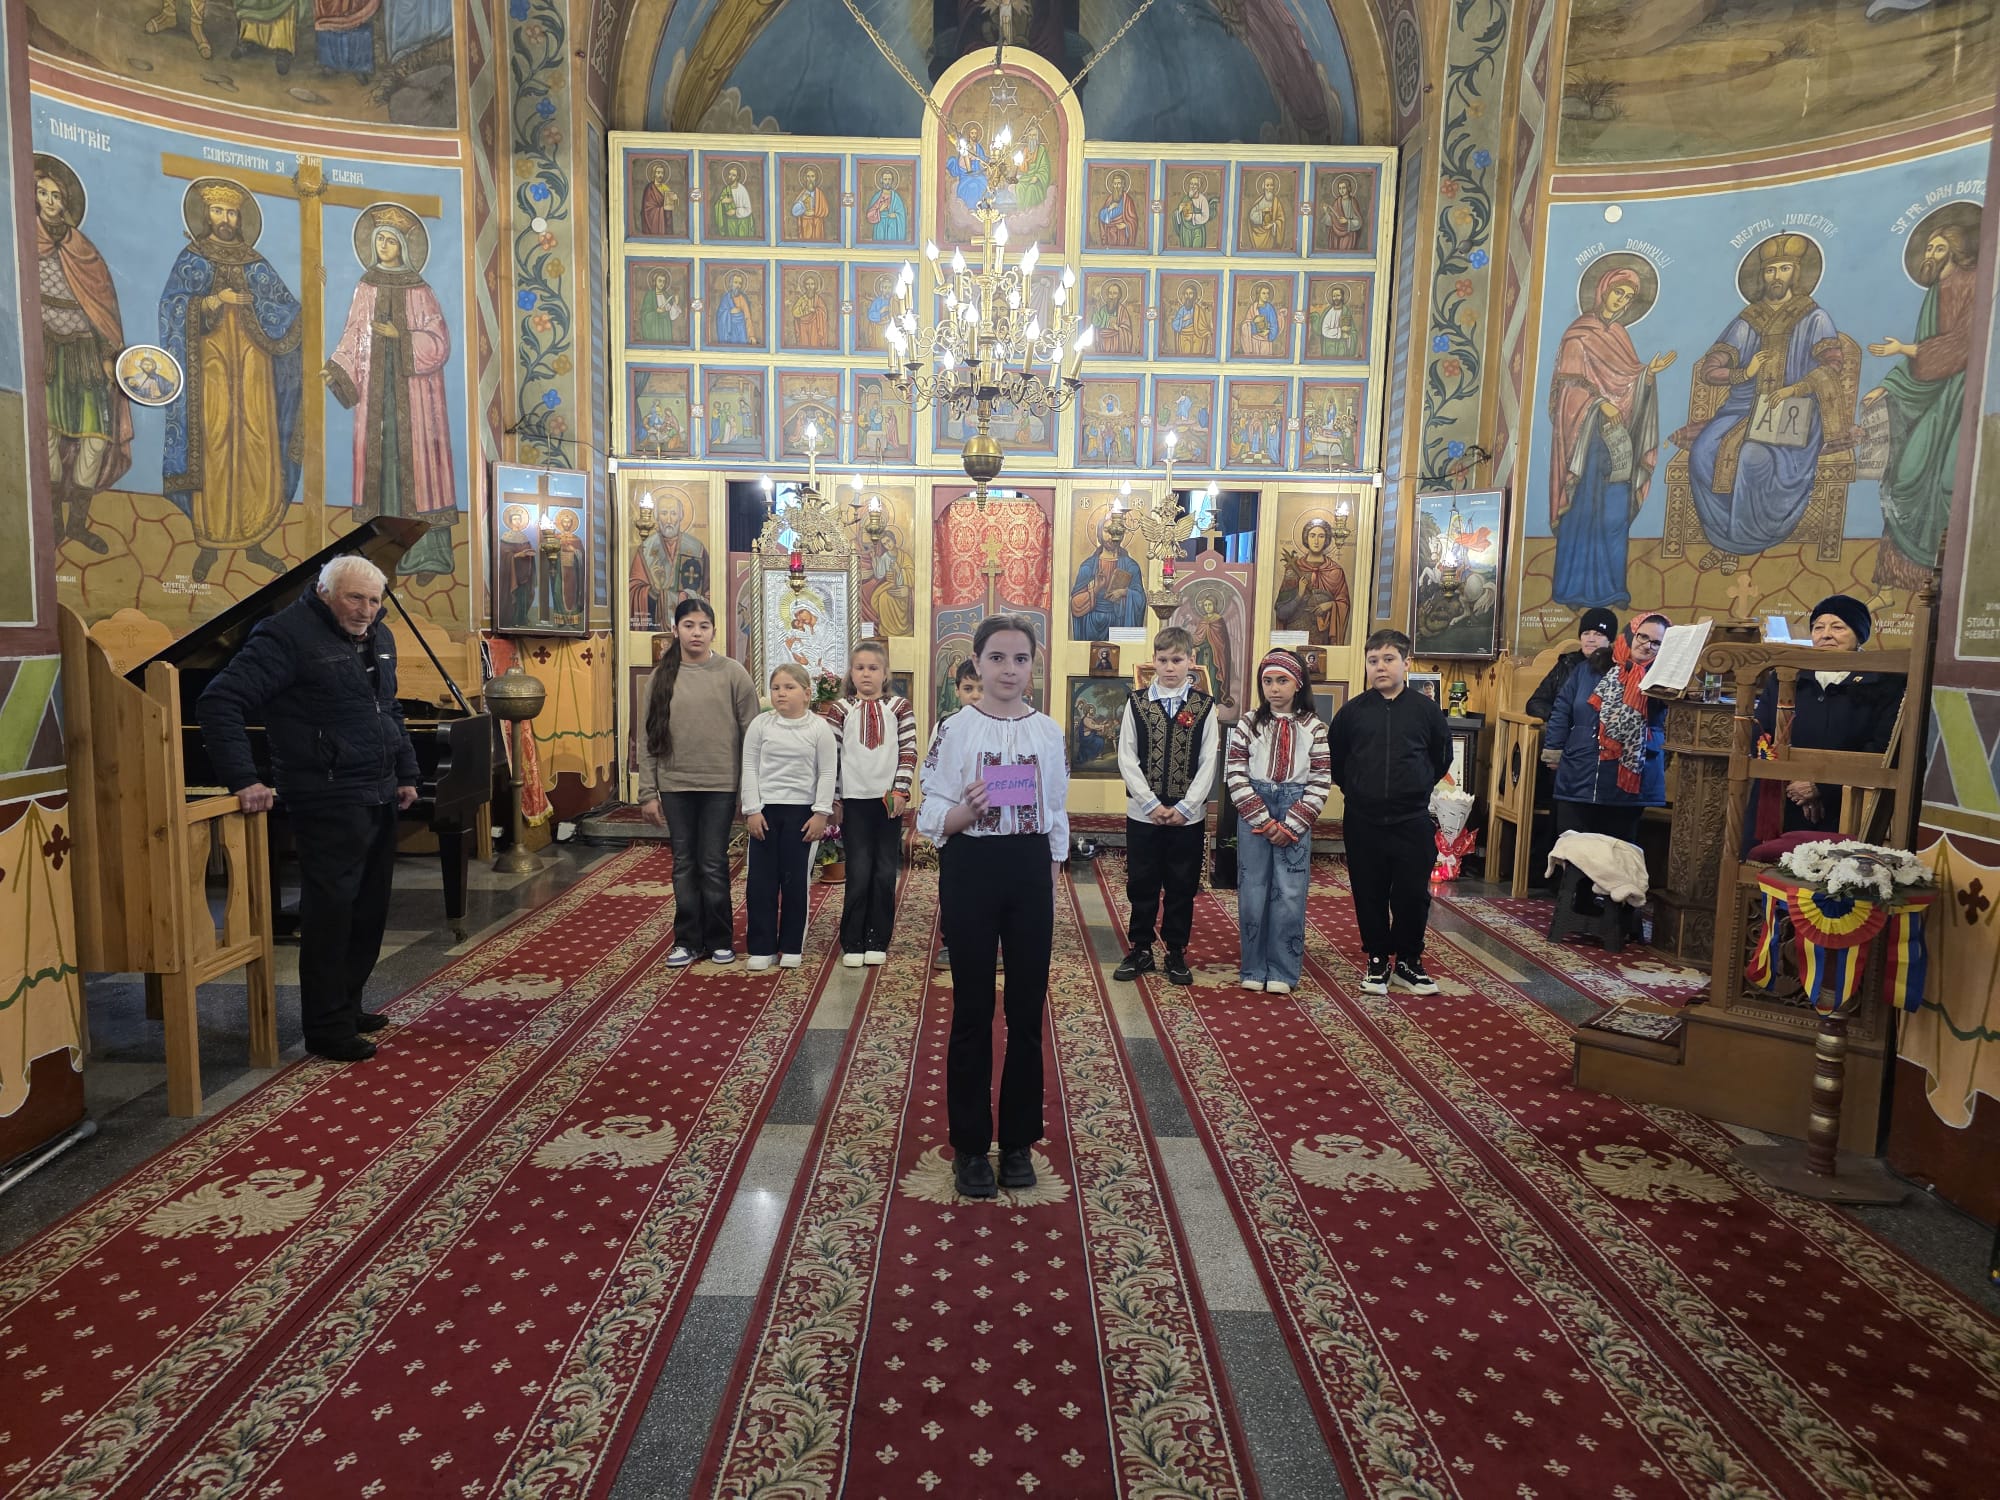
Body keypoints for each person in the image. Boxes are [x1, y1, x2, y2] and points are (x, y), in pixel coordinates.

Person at [196, 555, 419, 1062]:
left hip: (379, 789)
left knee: (368, 911)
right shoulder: (285, 635)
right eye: (355, 598)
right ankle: (325, 1026)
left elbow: (388, 708)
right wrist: (244, 778)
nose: (366, 610)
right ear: (324, 592)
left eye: (374, 600)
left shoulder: (380, 635)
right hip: (326, 794)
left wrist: (406, 772)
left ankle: (348, 1005)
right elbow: (219, 701)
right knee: (332, 914)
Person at [917, 615, 1069, 1200]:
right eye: (998, 658)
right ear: (977, 663)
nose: (1009, 670)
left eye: (1020, 659)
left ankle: (1019, 1141)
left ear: (1033, 666)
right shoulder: (954, 729)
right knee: (973, 1010)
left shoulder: (1047, 732)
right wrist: (967, 812)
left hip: (1029, 871)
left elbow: (1055, 809)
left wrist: (1049, 876)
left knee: (1027, 1010)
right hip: (972, 868)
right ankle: (971, 1146)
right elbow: (932, 810)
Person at [323, 206, 458, 580]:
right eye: (379, 238)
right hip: (376, 398)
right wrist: (337, 365)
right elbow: (354, 333)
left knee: (421, 473)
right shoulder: (365, 287)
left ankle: (427, 556)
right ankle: (375, 554)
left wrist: (402, 337)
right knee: (381, 472)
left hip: (416, 399)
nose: (383, 245)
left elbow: (439, 342)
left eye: (390, 240)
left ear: (403, 246)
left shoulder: (420, 289)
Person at [634, 597, 760, 967]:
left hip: (720, 784)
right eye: (689, 625)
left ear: (714, 631)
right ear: (675, 630)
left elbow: (752, 736)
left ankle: (719, 938)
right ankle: (687, 940)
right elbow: (647, 738)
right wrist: (647, 792)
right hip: (675, 785)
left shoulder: (733, 673)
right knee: (684, 863)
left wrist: (750, 790)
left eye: (704, 626)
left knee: (713, 862)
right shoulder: (661, 678)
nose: (696, 633)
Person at [1329, 630, 1450, 997]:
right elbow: (1338, 762)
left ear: (1406, 663)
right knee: (1369, 892)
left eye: (1388, 659)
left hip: (1411, 818)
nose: (1380, 667)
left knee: (1412, 894)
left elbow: (1441, 757)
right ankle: (1378, 959)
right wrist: (1361, 790)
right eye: (1373, 661)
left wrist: (1414, 788)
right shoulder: (1352, 713)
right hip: (1363, 819)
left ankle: (1409, 961)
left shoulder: (1426, 710)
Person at [1548, 268, 1674, 608]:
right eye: (1618, 292)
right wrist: (1598, 404)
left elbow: (1627, 383)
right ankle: (1573, 590)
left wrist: (1648, 374)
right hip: (1587, 443)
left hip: (1619, 442)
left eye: (1628, 297)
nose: (1622, 301)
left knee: (1615, 514)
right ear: (1604, 289)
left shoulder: (1619, 334)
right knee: (1584, 511)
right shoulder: (1578, 335)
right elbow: (1567, 390)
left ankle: (1612, 589)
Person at [1112, 628, 1220, 989]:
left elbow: (1209, 761)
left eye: (1177, 660)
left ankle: (1176, 950)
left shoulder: (1204, 706)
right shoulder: (1137, 702)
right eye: (1163, 660)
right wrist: (1149, 803)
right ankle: (1141, 948)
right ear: (1153, 662)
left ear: (1191, 661)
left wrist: (1187, 807)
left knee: (1181, 884)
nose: (1170, 667)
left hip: (1187, 818)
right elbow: (1127, 756)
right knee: (1142, 881)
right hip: (1143, 814)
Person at [1750, 594, 1905, 838]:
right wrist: (1794, 783)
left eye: (1838, 627)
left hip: (1845, 803)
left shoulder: (1883, 682)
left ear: (1859, 634)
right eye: (1818, 627)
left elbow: (1882, 746)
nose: (1826, 635)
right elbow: (1761, 732)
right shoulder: (1785, 676)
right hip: (1781, 796)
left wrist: (1821, 786)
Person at [1226, 650, 1331, 994]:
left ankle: (1283, 971)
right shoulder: (1249, 723)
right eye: (1268, 681)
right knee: (1253, 888)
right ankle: (1253, 966)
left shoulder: (1314, 727)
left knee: (1289, 891)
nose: (1274, 688)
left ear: (1298, 684)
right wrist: (1261, 817)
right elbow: (1235, 771)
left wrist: (1293, 823)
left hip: (1295, 805)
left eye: (1282, 681)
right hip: (1255, 807)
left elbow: (1321, 779)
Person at [826, 641, 918, 968]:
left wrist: (900, 791)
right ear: (851, 673)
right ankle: (852, 940)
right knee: (858, 869)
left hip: (887, 801)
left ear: (885, 673)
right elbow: (832, 757)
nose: (866, 674)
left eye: (873, 668)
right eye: (860, 668)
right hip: (854, 801)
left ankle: (878, 938)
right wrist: (834, 798)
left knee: (884, 871)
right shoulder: (840, 709)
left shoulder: (899, 707)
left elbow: (908, 751)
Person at [1541, 613, 1669, 845]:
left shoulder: (1664, 679)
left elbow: (1670, 727)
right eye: (1642, 636)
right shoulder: (1590, 668)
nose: (1647, 645)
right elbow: (1562, 708)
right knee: (1572, 846)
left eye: (1656, 642)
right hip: (1581, 768)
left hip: (1631, 779)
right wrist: (1554, 750)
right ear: (1630, 634)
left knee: (1617, 850)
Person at [741, 664, 837, 972]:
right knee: (761, 881)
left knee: (795, 881)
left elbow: (827, 772)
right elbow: (750, 767)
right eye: (776, 688)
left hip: (802, 813)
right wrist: (752, 809)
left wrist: (821, 813)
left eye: (789, 687)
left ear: (807, 694)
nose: (781, 693)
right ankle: (762, 946)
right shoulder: (761, 725)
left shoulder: (819, 728)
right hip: (765, 811)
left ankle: (792, 945)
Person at [927, 658, 982, 971]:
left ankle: (993, 941)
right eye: (968, 688)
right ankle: (951, 942)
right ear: (957, 691)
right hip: (955, 820)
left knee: (991, 885)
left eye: (981, 689)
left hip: (991, 822)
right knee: (953, 885)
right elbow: (933, 771)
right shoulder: (945, 726)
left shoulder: (1007, 725)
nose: (975, 696)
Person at [1526, 608, 1619, 722]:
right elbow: (1535, 703)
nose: (1590, 639)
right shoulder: (1567, 664)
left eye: (1598, 634)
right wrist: (1563, 717)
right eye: (1586, 633)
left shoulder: (1618, 669)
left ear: (1610, 640)